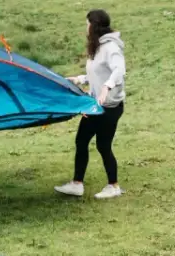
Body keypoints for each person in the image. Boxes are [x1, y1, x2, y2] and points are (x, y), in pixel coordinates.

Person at [56, 9, 126, 199]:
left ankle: (114, 186)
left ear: (93, 26)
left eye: (87, 24)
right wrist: (79, 79)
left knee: (103, 146)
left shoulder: (111, 47)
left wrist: (107, 87)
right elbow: (97, 73)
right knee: (81, 140)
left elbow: (119, 71)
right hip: (95, 106)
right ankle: (77, 184)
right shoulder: (98, 47)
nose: (85, 27)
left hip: (109, 107)